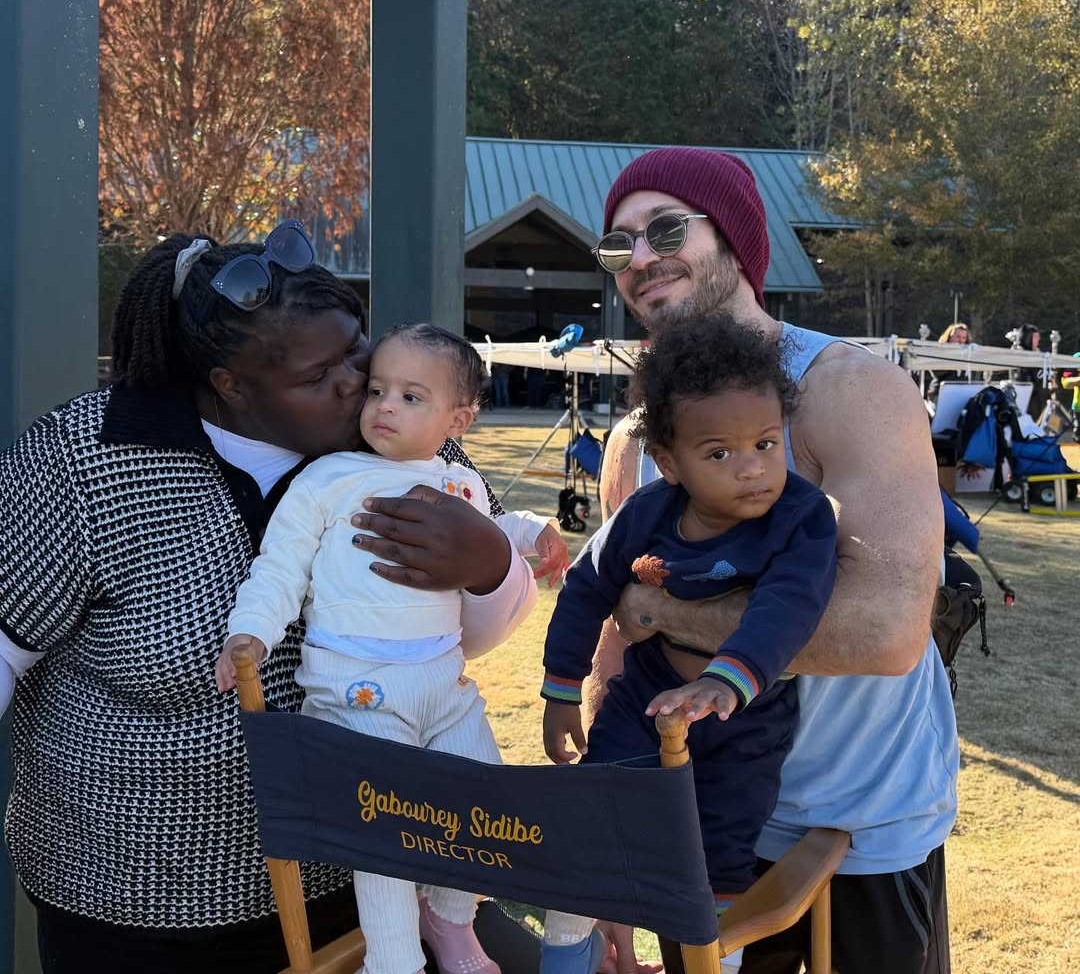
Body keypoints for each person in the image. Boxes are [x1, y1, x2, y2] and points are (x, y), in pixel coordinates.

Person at [0, 224, 543, 974]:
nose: (359, 382)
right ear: (232, 386)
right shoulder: (84, 460)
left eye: (355, 346)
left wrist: (488, 565)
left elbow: (454, 639)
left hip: (372, 862)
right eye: (320, 375)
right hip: (138, 906)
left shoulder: (408, 433)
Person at [584, 148, 957, 974]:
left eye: (667, 229)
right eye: (618, 247)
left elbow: (889, 633)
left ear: (740, 243)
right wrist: (607, 844)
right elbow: (618, 644)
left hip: (852, 832)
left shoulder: (849, 390)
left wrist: (670, 615)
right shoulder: (634, 442)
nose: (640, 259)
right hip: (702, 831)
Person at [215, 323, 567, 974]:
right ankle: (394, 959)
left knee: (481, 804)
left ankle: (451, 920)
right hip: (357, 690)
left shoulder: (455, 482)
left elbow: (492, 528)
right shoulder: (328, 479)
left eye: (411, 397)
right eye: (378, 389)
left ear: (457, 419)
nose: (383, 407)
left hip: (444, 684)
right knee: (382, 838)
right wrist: (253, 633)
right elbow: (280, 567)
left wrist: (532, 528)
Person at [538, 315, 837, 974]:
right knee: (592, 822)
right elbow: (585, 588)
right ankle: (566, 949)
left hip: (748, 718)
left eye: (766, 443)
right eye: (720, 454)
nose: (753, 470)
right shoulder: (645, 513)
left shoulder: (802, 517)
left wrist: (723, 682)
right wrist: (561, 692)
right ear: (670, 463)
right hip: (647, 695)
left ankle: (715, 963)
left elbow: (789, 608)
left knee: (723, 848)